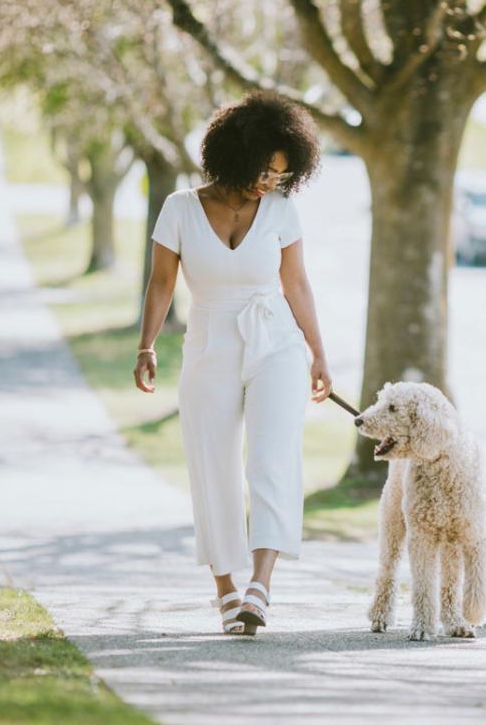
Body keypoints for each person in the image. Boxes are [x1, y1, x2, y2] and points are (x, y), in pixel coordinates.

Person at [133, 91, 333, 635]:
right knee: (212, 464)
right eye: (265, 170)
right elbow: (161, 282)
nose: (271, 182)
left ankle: (259, 587)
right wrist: (146, 344)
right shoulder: (178, 208)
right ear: (235, 154)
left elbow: (296, 283)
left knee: (272, 460)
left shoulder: (281, 210)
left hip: (277, 345)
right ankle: (225, 587)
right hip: (209, 342)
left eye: (281, 175)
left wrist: (318, 353)